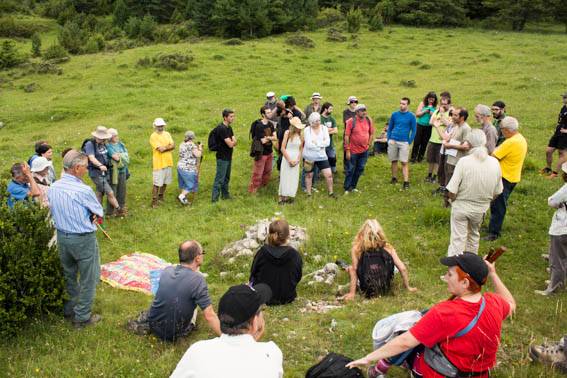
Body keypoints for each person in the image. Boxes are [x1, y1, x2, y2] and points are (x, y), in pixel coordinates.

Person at [348, 252, 516, 378]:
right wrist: (493, 273)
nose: (445, 277)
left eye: (450, 275)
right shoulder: (494, 303)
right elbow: (511, 304)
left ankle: (380, 368)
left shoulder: (445, 313)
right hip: (479, 373)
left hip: (441, 373)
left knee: (409, 331)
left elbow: (405, 342)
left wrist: (368, 357)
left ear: (465, 283)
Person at [169, 283, 283, 378]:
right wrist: (254, 337)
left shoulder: (197, 351)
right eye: (260, 310)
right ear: (254, 322)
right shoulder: (272, 352)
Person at [48, 150, 104, 328]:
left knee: (69, 275)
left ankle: (69, 309)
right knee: (89, 277)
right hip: (82, 239)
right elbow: (99, 211)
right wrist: (91, 215)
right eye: (86, 167)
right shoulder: (83, 189)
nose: (87, 170)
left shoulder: (54, 186)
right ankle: (82, 317)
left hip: (62, 237)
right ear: (77, 168)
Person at [142, 240, 221, 342]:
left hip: (153, 326)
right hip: (173, 333)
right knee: (195, 305)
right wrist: (225, 338)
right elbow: (209, 315)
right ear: (197, 258)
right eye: (202, 253)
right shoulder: (198, 280)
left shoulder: (167, 270)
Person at [446, 130, 503, 256]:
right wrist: (486, 201)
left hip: (461, 205)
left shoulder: (464, 162)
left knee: (458, 239)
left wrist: (453, 199)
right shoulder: (494, 163)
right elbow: (498, 191)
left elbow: (452, 189)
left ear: (469, 144)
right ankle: (470, 270)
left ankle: (454, 271)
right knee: (473, 236)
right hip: (480, 208)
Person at [341, 219, 417, 301]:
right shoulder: (388, 247)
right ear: (380, 233)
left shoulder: (357, 249)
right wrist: (408, 287)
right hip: (385, 289)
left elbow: (355, 270)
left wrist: (352, 293)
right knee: (393, 268)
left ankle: (345, 267)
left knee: (350, 268)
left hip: (367, 291)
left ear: (363, 232)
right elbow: (402, 268)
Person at [483, 116, 528, 241]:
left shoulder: (510, 142)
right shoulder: (520, 138)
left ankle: (494, 233)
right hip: (513, 176)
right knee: (498, 203)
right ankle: (492, 227)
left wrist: (496, 150)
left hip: (504, 177)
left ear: (507, 130)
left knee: (498, 205)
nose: (501, 131)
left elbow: (493, 155)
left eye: (502, 129)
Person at [249, 219, 303, 305]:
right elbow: (298, 276)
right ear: (288, 235)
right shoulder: (294, 255)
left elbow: (253, 274)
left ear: (270, 234)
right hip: (287, 297)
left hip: (263, 297)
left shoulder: (262, 253)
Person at [535, 161, 567, 296]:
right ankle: (559, 281)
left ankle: (554, 287)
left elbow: (552, 201)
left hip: (562, 227)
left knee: (556, 259)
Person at [84, 126, 121, 213]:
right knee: (110, 192)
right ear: (96, 136)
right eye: (101, 138)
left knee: (100, 192)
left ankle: (97, 212)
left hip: (105, 172)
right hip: (96, 173)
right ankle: (119, 210)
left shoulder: (103, 144)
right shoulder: (90, 144)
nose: (103, 140)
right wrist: (100, 165)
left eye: (104, 138)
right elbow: (91, 158)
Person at [442, 107, 471, 202]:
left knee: (454, 185)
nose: (452, 117)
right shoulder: (456, 126)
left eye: (455, 115)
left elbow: (466, 147)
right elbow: (450, 139)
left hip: (458, 162)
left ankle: (453, 203)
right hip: (450, 159)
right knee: (448, 182)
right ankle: (446, 203)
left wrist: (450, 146)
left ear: (462, 117)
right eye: (452, 114)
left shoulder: (466, 128)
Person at [303, 112, 335, 197]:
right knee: (309, 175)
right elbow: (309, 145)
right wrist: (321, 144)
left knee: (329, 175)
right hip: (309, 156)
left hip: (322, 156)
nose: (318, 123)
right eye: (315, 122)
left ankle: (331, 193)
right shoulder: (307, 130)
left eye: (318, 121)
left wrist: (316, 143)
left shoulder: (324, 128)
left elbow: (327, 142)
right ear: (311, 122)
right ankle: (309, 193)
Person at [387, 97, 417, 189]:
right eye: (400, 103)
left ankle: (406, 182)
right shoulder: (394, 114)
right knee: (394, 160)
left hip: (404, 142)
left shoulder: (411, 116)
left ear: (407, 105)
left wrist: (409, 142)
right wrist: (389, 139)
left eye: (403, 104)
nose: (401, 105)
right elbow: (390, 128)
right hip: (393, 140)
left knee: (404, 162)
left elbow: (414, 130)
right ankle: (394, 178)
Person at [344, 104, 374, 194]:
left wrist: (369, 144)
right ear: (357, 112)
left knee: (360, 168)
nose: (364, 112)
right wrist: (348, 150)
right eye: (362, 110)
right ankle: (347, 187)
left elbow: (371, 133)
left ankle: (353, 186)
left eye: (365, 110)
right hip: (353, 150)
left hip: (364, 150)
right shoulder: (351, 121)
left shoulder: (368, 120)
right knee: (350, 169)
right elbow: (346, 136)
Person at [249, 106, 277, 194]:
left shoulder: (271, 124)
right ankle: (253, 190)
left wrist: (268, 137)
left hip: (270, 152)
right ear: (263, 114)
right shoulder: (259, 126)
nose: (270, 114)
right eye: (268, 113)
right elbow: (263, 141)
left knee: (268, 171)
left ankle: (263, 187)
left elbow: (275, 137)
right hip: (261, 153)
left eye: (270, 112)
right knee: (258, 173)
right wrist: (270, 138)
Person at [426, 95, 452, 184]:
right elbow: (430, 122)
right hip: (432, 139)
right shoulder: (436, 111)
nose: (443, 106)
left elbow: (449, 124)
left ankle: (435, 176)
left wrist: (441, 116)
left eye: (445, 104)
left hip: (442, 141)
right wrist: (440, 121)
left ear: (449, 104)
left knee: (438, 160)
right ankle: (429, 175)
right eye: (441, 104)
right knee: (430, 159)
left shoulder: (450, 113)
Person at [212, 109, 237, 202]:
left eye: (233, 116)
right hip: (222, 157)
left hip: (228, 156)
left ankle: (225, 195)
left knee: (226, 177)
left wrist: (232, 142)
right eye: (231, 116)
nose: (233, 118)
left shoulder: (229, 128)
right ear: (225, 117)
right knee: (219, 178)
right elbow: (231, 144)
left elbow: (235, 141)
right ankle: (214, 199)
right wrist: (232, 142)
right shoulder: (221, 128)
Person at [149, 118, 175, 207]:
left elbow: (173, 146)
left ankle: (161, 196)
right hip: (158, 163)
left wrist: (166, 147)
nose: (160, 127)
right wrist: (168, 147)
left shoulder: (167, 134)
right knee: (157, 183)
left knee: (165, 181)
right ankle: (154, 201)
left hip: (168, 161)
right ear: (155, 126)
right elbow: (160, 149)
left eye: (162, 126)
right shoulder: (153, 136)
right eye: (159, 126)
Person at [278, 117, 304, 204]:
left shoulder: (301, 135)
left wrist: (298, 160)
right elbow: (282, 148)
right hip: (287, 156)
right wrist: (289, 160)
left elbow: (301, 148)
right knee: (285, 176)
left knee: (293, 177)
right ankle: (281, 197)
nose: (299, 129)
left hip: (296, 158)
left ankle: (289, 196)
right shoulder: (288, 133)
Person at [541, 92, 567, 178]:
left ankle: (555, 173)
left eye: (565, 98)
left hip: (565, 135)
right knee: (548, 151)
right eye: (563, 97)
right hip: (558, 133)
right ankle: (548, 168)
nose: (563, 99)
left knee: (562, 154)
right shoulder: (563, 108)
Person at [106, 128, 129, 216]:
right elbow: (116, 157)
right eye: (114, 136)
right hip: (113, 172)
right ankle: (110, 211)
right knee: (113, 190)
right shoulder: (108, 146)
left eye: (116, 135)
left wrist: (120, 155)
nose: (116, 137)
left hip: (123, 170)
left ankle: (121, 209)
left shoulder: (121, 144)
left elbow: (127, 156)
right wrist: (121, 155)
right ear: (110, 137)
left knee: (122, 189)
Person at [411, 92, 438, 163]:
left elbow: (437, 118)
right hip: (420, 125)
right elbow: (417, 114)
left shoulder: (436, 107)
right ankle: (413, 158)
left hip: (429, 127)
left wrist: (432, 114)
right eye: (430, 99)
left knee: (424, 143)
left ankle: (420, 158)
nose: (431, 101)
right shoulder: (422, 104)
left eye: (432, 99)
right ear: (427, 98)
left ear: (435, 100)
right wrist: (425, 111)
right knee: (417, 141)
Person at [177, 131, 202, 205]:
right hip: (188, 168)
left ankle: (183, 199)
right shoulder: (192, 145)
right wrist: (200, 148)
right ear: (192, 137)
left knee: (185, 183)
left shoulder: (182, 144)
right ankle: (181, 196)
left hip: (180, 167)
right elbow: (198, 155)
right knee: (191, 185)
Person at [320, 102, 338, 173]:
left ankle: (333, 171)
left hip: (330, 144)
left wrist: (325, 130)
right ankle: (319, 173)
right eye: (330, 109)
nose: (331, 110)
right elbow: (320, 131)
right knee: (320, 159)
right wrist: (330, 129)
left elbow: (336, 131)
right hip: (321, 144)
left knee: (332, 158)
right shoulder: (319, 118)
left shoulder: (332, 119)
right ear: (325, 109)